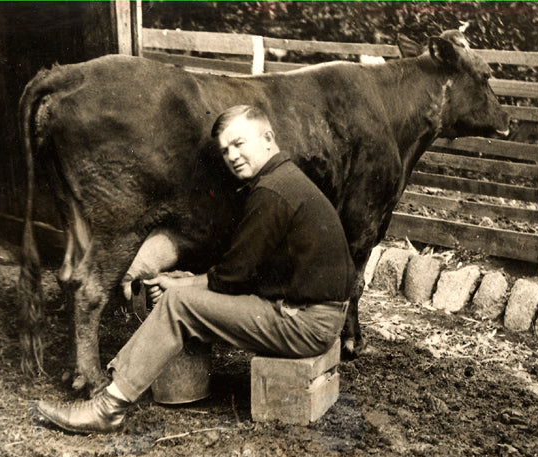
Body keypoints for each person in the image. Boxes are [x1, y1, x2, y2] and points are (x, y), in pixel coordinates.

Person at [35, 105, 355, 434]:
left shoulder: (272, 192)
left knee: (178, 306)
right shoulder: (285, 179)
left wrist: (179, 288)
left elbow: (232, 278)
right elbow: (249, 273)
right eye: (226, 150)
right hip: (312, 315)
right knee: (183, 297)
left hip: (306, 323)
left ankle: (109, 407)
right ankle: (115, 397)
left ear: (268, 138)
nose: (232, 156)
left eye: (240, 143)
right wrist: (188, 282)